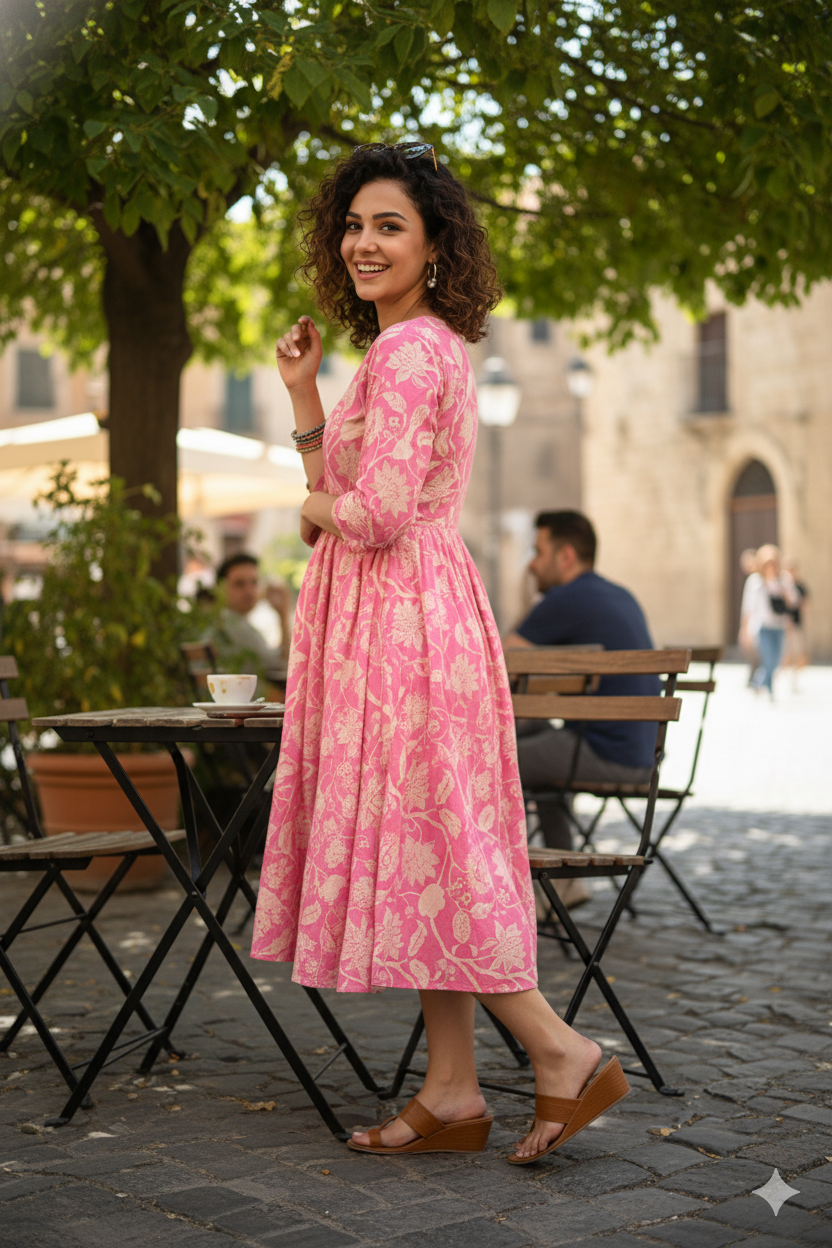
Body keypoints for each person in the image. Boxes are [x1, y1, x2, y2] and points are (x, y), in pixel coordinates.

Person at [250, 143, 628, 1164]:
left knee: (440, 850)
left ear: (434, 246)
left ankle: (560, 1051)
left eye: (390, 226)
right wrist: (303, 396)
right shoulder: (408, 349)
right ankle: (453, 1090)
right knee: (425, 849)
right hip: (411, 613)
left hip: (402, 623)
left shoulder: (412, 352)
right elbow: (351, 492)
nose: (363, 243)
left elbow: (366, 514)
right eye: (354, 225)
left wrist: (310, 509)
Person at [503, 512, 659, 895]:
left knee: (491, 761)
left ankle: (497, 892)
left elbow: (500, 659)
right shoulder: (618, 594)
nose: (532, 564)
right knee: (537, 737)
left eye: (538, 552)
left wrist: (530, 597)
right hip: (643, 754)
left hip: (606, 751)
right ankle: (564, 885)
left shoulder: (567, 598)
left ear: (566, 556)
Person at [212, 553, 291, 682]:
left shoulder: (225, 620)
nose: (249, 591)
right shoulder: (231, 623)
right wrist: (283, 614)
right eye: (239, 584)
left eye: (254, 582)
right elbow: (280, 664)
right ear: (221, 588)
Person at [742, 544, 796, 698]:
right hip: (763, 627)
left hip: (779, 626)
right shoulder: (755, 581)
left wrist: (783, 591)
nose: (770, 567)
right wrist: (744, 629)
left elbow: (794, 601)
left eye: (773, 563)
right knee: (768, 659)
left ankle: (762, 684)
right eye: (767, 563)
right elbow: (748, 607)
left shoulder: (783, 580)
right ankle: (762, 684)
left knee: (776, 661)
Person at [781, 558, 809, 689]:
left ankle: (794, 676)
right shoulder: (781, 585)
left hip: (796, 623)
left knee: (798, 652)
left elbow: (804, 606)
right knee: (786, 652)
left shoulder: (800, 587)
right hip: (783, 624)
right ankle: (786, 676)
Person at [737, 548, 761, 684]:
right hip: (754, 624)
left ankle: (756, 680)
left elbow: (748, 607)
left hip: (758, 624)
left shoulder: (756, 580)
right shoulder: (754, 580)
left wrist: (744, 628)